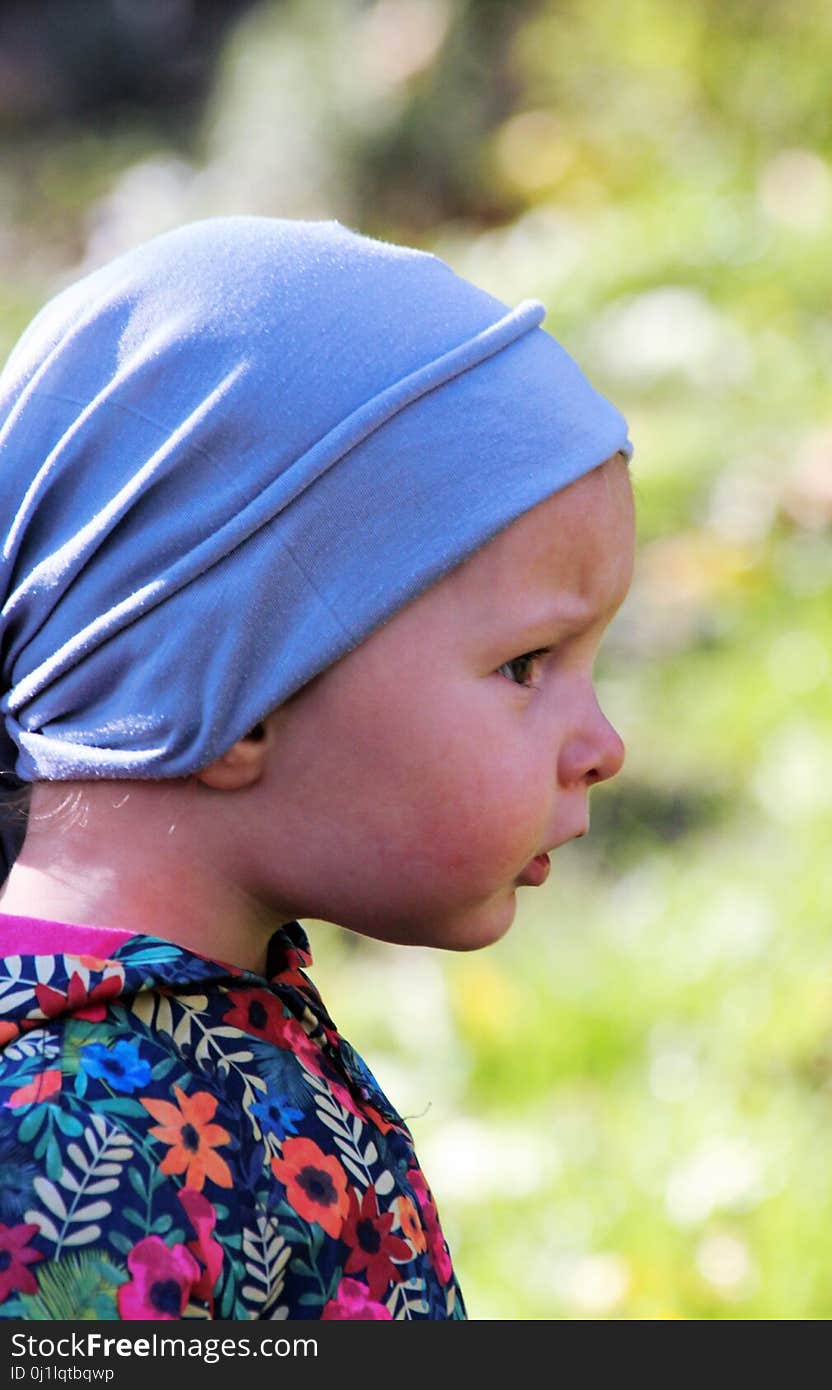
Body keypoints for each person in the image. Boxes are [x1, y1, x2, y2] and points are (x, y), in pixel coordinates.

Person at [0, 217, 634, 1320]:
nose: (605, 747)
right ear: (231, 693)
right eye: (526, 664)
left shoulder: (197, 1008)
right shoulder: (63, 1160)